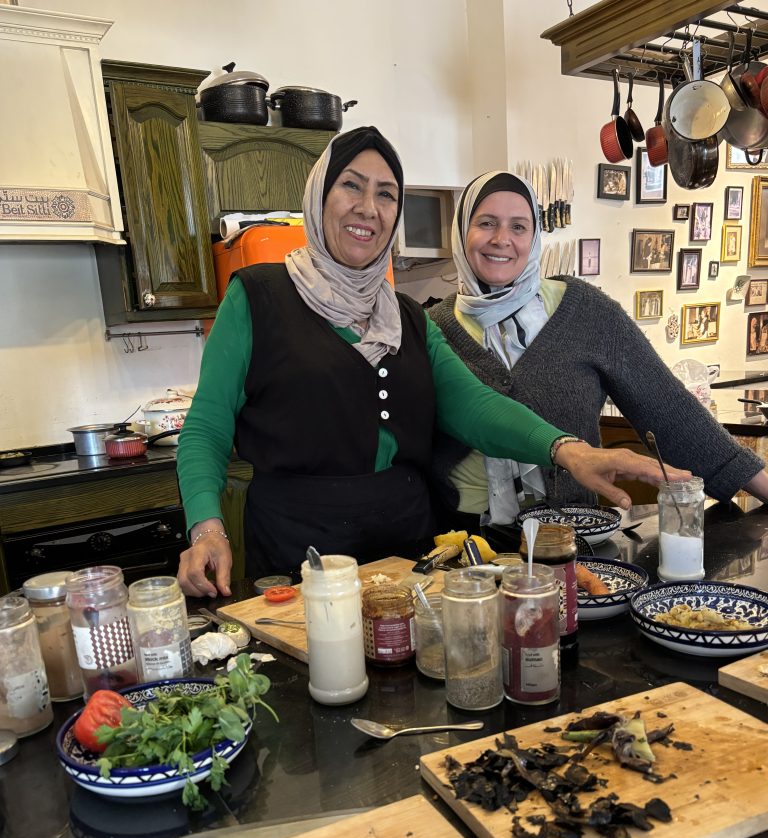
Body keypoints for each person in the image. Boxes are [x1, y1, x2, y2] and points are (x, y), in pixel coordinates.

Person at [176, 133, 687, 598]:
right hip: (301, 555)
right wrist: (206, 528)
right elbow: (205, 428)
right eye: (351, 186)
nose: (368, 208)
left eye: (386, 194)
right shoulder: (257, 298)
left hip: (409, 550)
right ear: (318, 197)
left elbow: (475, 406)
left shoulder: (406, 318)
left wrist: (568, 451)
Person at [427, 169, 768, 530]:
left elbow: (670, 409)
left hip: (572, 534)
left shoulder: (585, 311)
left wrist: (759, 484)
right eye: (486, 223)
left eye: (518, 227)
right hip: (460, 543)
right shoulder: (430, 329)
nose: (501, 239)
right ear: (461, 230)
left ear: (535, 235)